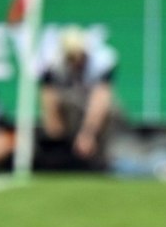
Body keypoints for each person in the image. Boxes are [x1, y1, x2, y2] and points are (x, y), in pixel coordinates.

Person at [37, 31, 116, 173]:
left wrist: (87, 133)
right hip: (71, 105)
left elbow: (100, 100)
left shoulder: (101, 61)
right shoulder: (53, 63)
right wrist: (53, 123)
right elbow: (48, 93)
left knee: (110, 110)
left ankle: (104, 159)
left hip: (91, 108)